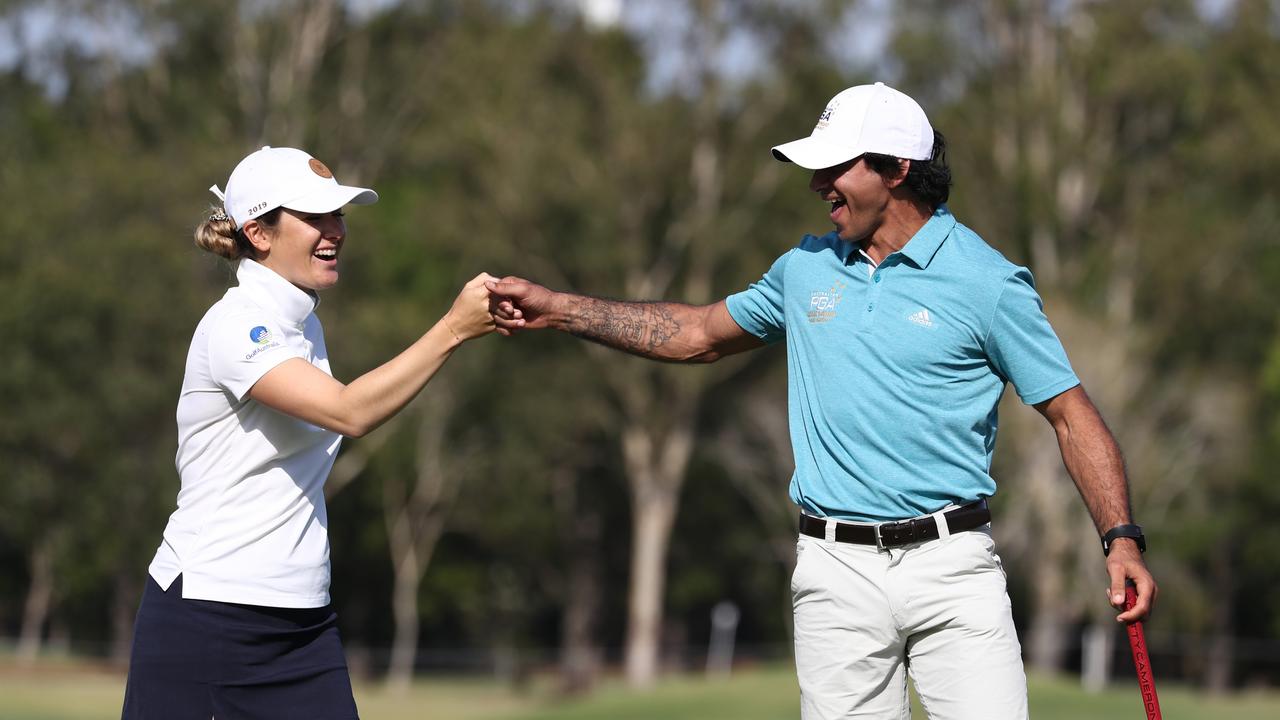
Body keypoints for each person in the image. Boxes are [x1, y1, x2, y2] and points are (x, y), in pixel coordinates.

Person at [488, 82, 1157, 719]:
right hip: (834, 571)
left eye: (835, 166)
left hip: (953, 569)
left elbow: (1071, 416)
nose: (816, 185)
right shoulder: (805, 268)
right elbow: (695, 335)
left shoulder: (987, 282)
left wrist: (1120, 539)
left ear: (896, 168)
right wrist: (561, 311)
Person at [122, 146, 500, 719]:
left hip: (302, 624)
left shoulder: (303, 320)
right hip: (207, 619)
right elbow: (348, 411)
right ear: (260, 233)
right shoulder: (236, 323)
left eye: (339, 215)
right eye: (314, 217)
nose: (335, 231)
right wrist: (452, 328)